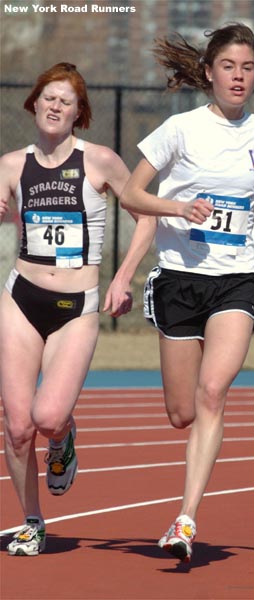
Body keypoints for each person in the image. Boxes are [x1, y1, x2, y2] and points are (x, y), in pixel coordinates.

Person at [119, 23, 254, 563]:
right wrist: (178, 208)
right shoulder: (179, 129)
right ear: (210, 72)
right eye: (230, 67)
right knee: (181, 412)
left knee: (214, 392)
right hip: (178, 279)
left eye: (248, 67)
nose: (239, 76)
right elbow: (131, 193)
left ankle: (186, 518)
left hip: (237, 276)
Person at [0, 62, 155, 556]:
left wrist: (124, 276)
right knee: (18, 426)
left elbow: (146, 217)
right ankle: (31, 520)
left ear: (78, 113)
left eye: (66, 101)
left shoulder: (101, 161)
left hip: (77, 306)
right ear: (34, 103)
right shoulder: (9, 165)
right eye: (48, 97)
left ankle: (63, 437)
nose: (55, 106)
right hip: (21, 297)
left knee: (47, 417)